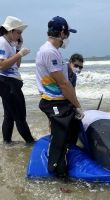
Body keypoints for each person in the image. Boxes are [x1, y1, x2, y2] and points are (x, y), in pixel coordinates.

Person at [35, 16, 84, 178]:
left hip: (57, 100)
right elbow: (63, 84)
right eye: (67, 33)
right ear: (62, 33)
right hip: (54, 102)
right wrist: (77, 105)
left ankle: (64, 157)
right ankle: (58, 174)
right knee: (60, 140)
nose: (68, 37)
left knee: (69, 132)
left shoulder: (52, 51)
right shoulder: (50, 51)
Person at [0, 16, 35, 144]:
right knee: (20, 115)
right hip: (7, 82)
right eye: (18, 32)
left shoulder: (10, 44)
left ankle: (7, 143)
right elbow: (2, 65)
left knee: (9, 115)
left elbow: (16, 65)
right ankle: (30, 142)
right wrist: (19, 54)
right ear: (10, 31)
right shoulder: (2, 42)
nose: (20, 36)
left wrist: (18, 49)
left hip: (9, 82)